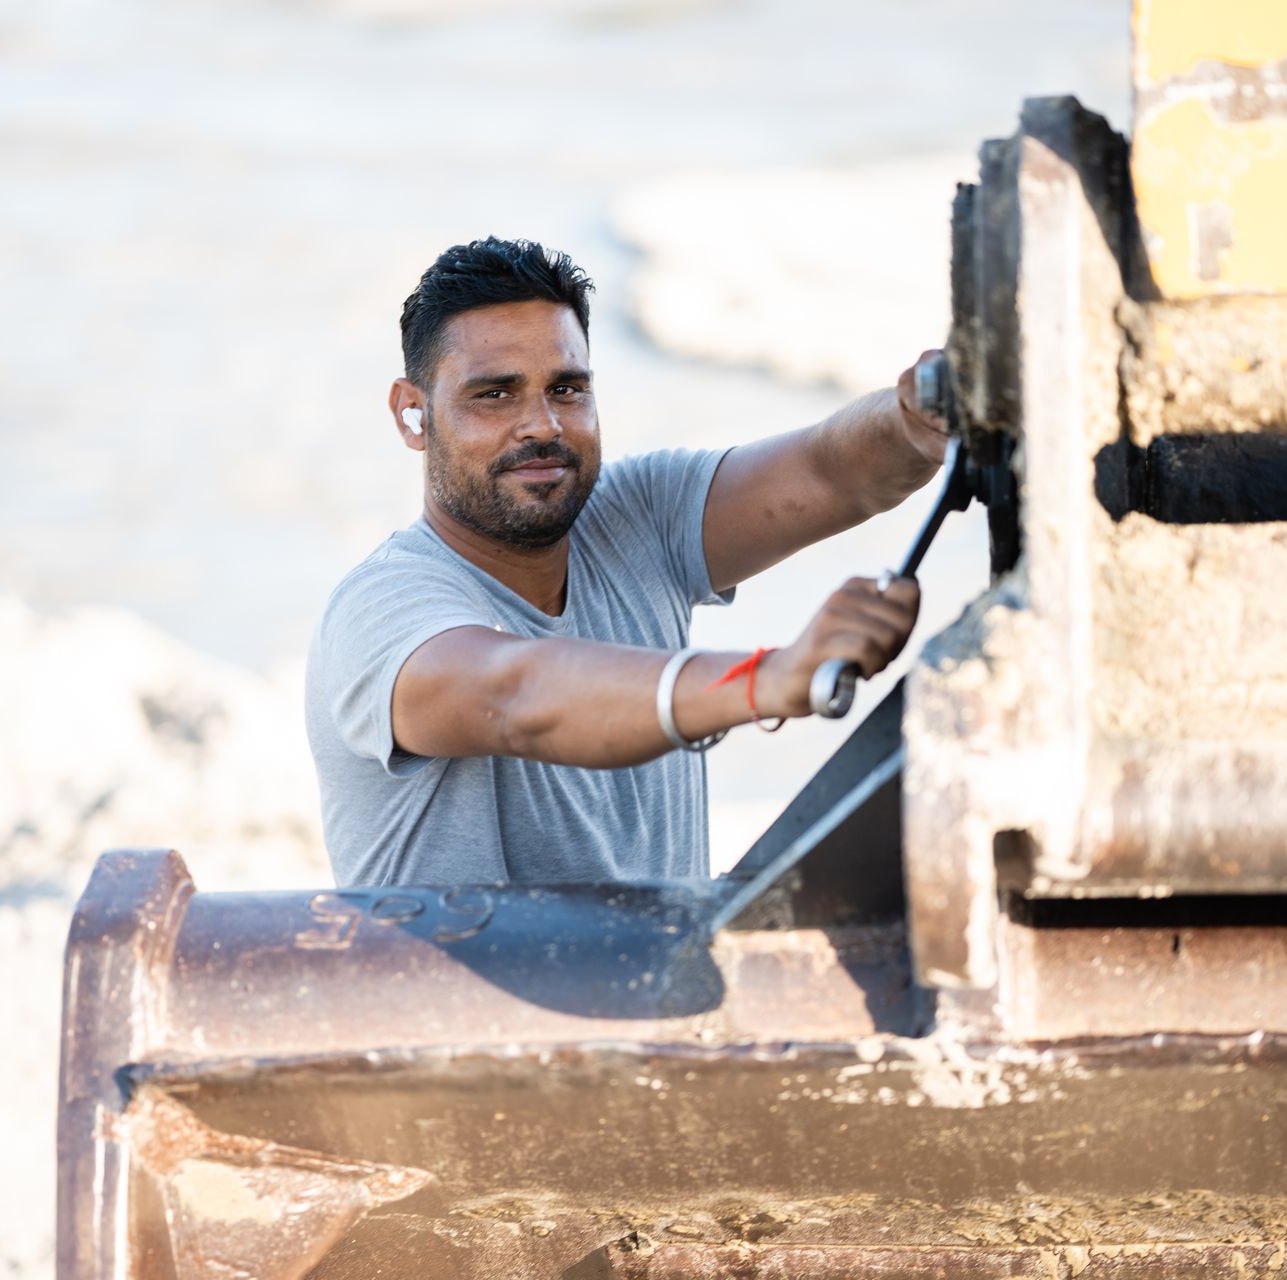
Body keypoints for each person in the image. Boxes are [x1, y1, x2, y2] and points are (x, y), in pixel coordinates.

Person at [306, 236, 950, 886]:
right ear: (413, 415)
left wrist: (919, 417)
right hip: (465, 990)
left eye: (566, 389)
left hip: (661, 982)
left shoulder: (637, 515)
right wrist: (765, 678)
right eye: (494, 395)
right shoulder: (380, 609)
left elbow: (828, 471)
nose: (542, 425)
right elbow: (516, 692)